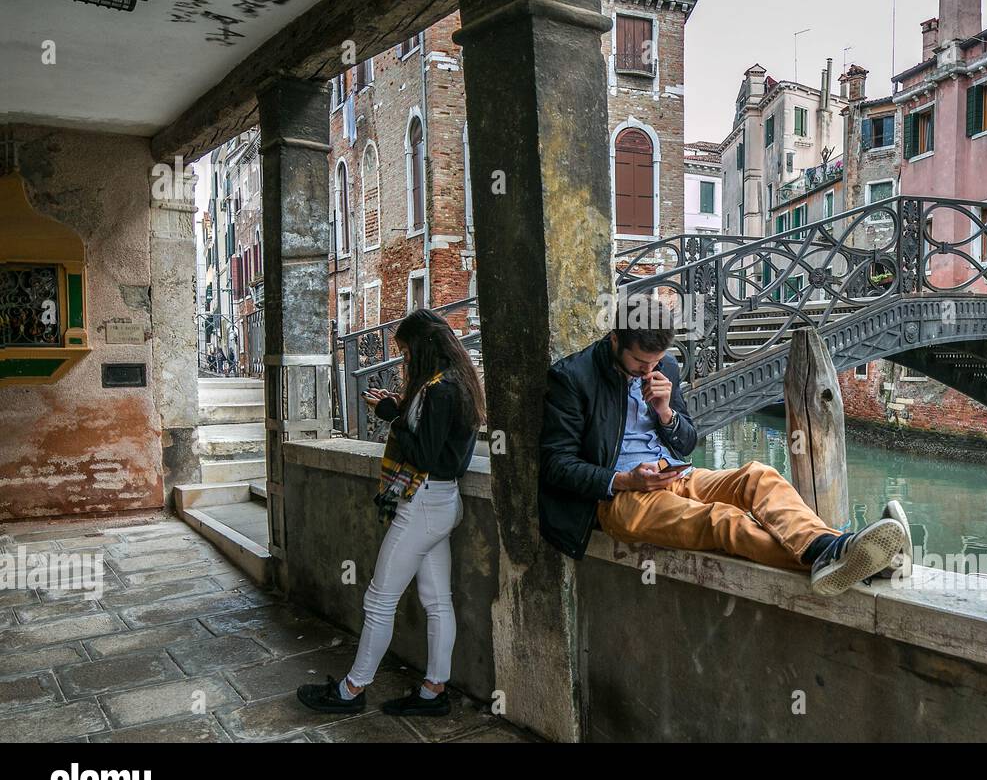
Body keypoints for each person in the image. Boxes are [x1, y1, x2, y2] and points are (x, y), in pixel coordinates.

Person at [539, 294, 911, 596]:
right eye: (639, 361)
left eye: (655, 361)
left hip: (674, 473)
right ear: (615, 339)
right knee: (722, 520)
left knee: (758, 475)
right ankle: (850, 555)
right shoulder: (573, 377)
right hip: (618, 499)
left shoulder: (663, 367)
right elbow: (555, 464)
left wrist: (666, 412)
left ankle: (840, 552)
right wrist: (623, 480)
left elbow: (686, 442)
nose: (647, 370)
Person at [297, 309, 485, 716]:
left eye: (405, 351)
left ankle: (351, 690)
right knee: (438, 601)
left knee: (379, 601)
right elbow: (437, 441)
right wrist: (401, 409)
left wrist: (390, 416)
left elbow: (424, 454)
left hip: (422, 503)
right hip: (443, 501)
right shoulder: (460, 383)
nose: (403, 359)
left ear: (422, 348)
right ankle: (434, 691)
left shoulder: (439, 390)